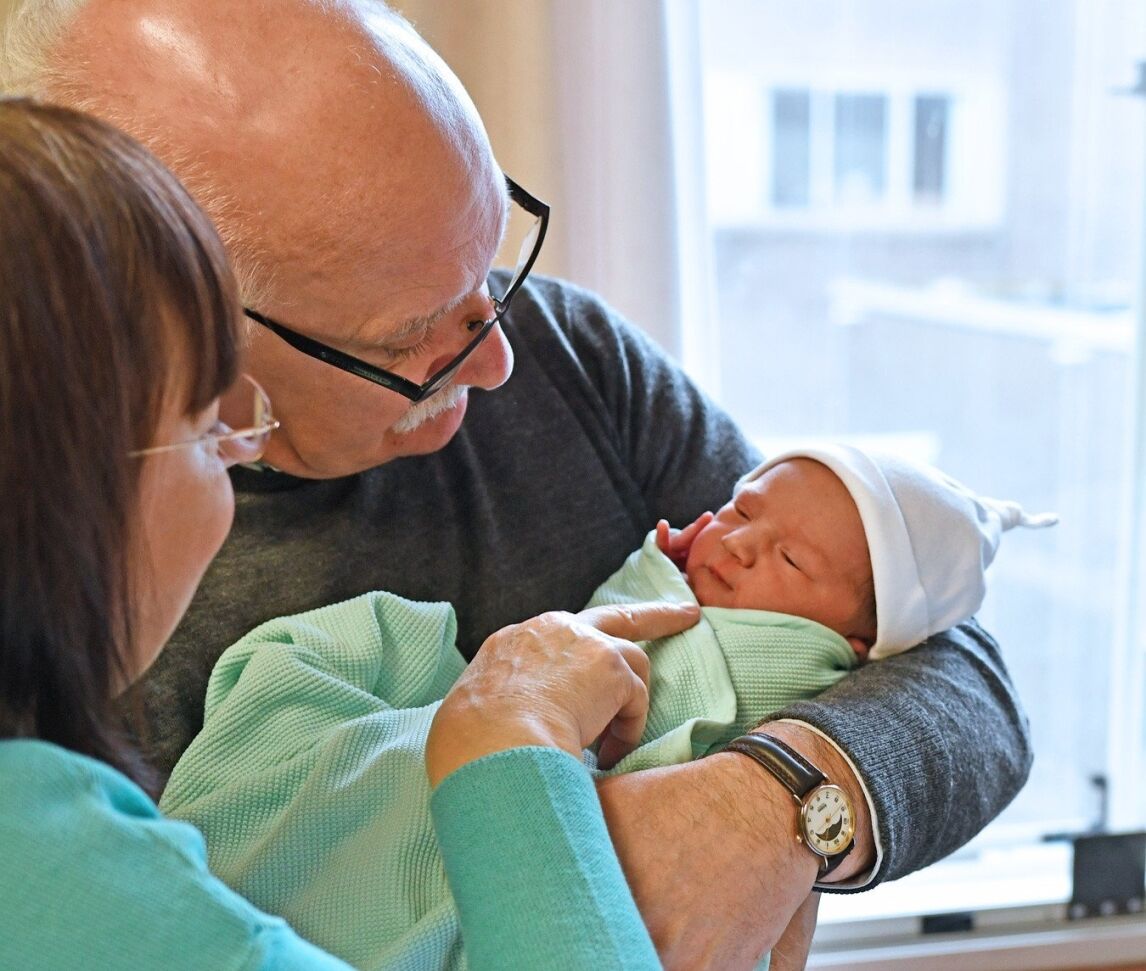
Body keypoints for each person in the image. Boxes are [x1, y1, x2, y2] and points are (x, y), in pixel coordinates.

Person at [1, 2, 1032, 965]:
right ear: (160, 309)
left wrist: (783, 799)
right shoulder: (70, 613)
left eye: (490, 261)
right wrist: (525, 788)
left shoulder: (568, 360)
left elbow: (946, 657)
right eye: (413, 334)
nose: (497, 355)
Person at [0, 97, 699, 970]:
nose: (241, 437)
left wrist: (793, 789)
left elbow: (908, 639)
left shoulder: (581, 358)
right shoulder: (80, 884)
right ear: (60, 476)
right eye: (204, 419)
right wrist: (512, 741)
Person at [159, 443, 1054, 970]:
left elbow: (967, 679)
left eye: (789, 564)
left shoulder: (588, 363)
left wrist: (777, 796)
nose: (737, 543)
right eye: (738, 510)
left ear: (858, 641)